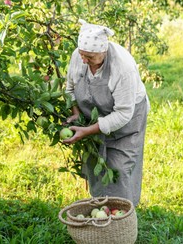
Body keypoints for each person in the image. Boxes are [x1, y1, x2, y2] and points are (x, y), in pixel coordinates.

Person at [63, 19, 150, 207]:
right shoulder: (79, 57)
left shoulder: (122, 68)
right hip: (97, 114)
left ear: (103, 52)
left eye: (90, 57)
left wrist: (87, 131)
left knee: (120, 167)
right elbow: (69, 89)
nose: (84, 60)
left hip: (128, 119)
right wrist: (76, 112)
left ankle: (122, 219)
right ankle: (100, 211)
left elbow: (123, 114)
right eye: (82, 55)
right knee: (96, 165)